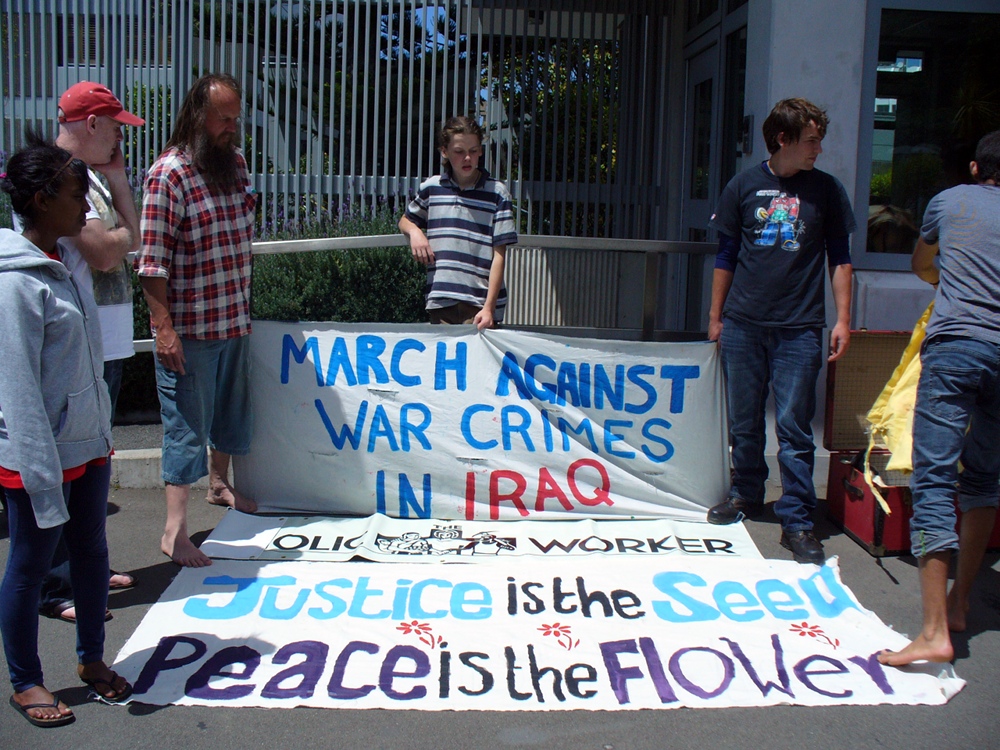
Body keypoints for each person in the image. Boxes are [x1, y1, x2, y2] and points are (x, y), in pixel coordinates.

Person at [0, 134, 133, 728]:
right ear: (41, 198)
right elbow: (18, 391)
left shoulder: (62, 265)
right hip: (38, 458)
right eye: (78, 197)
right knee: (29, 567)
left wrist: (99, 432)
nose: (86, 209)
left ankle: (91, 660)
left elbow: (85, 363)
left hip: (87, 445)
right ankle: (25, 681)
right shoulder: (14, 282)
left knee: (91, 554)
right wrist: (41, 476)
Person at [704, 98, 856, 565]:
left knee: (793, 427)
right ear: (783, 139)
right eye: (811, 140)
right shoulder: (744, 185)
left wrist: (843, 319)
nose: (818, 149)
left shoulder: (826, 190)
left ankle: (797, 519)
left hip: (800, 327)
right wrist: (715, 316)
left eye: (819, 140)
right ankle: (746, 493)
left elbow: (840, 259)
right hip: (744, 323)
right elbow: (726, 255)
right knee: (744, 420)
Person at [879, 130, 1000, 667]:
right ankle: (959, 604)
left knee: (934, 481)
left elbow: (922, 263)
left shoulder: (949, 202)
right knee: (984, 481)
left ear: (975, 167)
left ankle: (933, 633)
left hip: (956, 349)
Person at [30, 81, 144, 623]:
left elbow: (128, 240)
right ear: (93, 123)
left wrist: (119, 190)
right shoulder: (57, 178)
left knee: (93, 460)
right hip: (72, 342)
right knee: (66, 462)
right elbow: (103, 251)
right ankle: (55, 583)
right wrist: (125, 228)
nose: (121, 136)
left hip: (101, 340)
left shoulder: (90, 178)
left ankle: (83, 564)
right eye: (116, 126)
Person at [135, 73, 257, 568]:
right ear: (197, 116)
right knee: (185, 427)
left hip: (233, 318)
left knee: (230, 415)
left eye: (235, 119)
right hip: (190, 329)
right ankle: (174, 531)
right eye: (223, 119)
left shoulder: (236, 164)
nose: (232, 128)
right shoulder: (168, 174)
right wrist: (163, 329)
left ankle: (219, 484)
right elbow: (151, 264)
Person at [398, 115, 518, 330]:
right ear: (444, 151)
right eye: (459, 151)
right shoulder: (432, 188)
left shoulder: (497, 193)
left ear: (480, 151)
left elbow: (499, 255)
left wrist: (489, 308)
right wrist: (415, 232)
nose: (467, 158)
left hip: (480, 305)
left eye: (473, 150)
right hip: (441, 299)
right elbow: (405, 220)